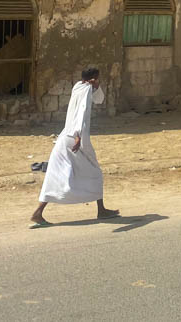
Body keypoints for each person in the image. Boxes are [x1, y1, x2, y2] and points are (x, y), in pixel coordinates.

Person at [31, 67, 119, 225]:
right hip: (76, 139)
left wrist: (95, 86)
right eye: (97, 78)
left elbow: (99, 99)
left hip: (65, 138)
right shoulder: (85, 90)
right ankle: (102, 210)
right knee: (95, 173)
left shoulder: (78, 86)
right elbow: (82, 112)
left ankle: (38, 213)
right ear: (92, 78)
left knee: (56, 176)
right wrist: (78, 136)